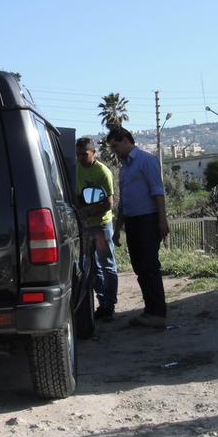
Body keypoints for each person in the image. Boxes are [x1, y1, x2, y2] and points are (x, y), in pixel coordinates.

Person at [106, 127, 169, 328]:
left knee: (150, 266)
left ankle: (158, 312)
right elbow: (124, 202)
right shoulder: (124, 168)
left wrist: (162, 221)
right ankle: (150, 310)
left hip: (148, 221)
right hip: (132, 222)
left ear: (125, 140)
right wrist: (117, 230)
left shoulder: (146, 161)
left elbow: (158, 192)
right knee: (140, 267)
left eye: (115, 146)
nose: (114, 151)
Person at [75, 137, 117, 322]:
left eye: (84, 154)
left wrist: (87, 211)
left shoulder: (103, 172)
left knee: (107, 265)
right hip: (85, 227)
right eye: (78, 155)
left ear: (93, 153)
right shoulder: (76, 168)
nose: (81, 158)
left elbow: (109, 204)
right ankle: (101, 303)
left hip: (101, 226)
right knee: (91, 267)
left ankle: (110, 305)